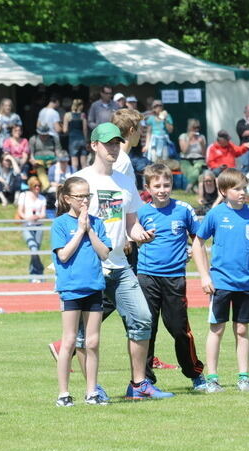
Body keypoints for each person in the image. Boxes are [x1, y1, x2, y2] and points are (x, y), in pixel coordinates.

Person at [75, 122, 172, 400]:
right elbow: (68, 223)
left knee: (142, 318)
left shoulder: (126, 181)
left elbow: (131, 223)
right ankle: (92, 388)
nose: (113, 148)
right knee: (84, 333)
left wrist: (140, 234)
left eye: (117, 143)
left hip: (119, 264)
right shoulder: (80, 180)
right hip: (90, 265)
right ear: (94, 145)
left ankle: (139, 385)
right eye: (108, 143)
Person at [192, 168, 249, 393]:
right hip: (221, 283)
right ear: (223, 191)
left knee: (242, 330)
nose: (243, 193)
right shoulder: (216, 214)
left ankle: (244, 378)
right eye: (237, 189)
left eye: (244, 188)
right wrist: (205, 275)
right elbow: (198, 243)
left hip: (245, 282)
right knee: (217, 329)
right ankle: (212, 379)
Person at [137, 163, 206, 390]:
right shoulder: (141, 212)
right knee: (147, 328)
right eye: (157, 186)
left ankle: (194, 373)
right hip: (147, 277)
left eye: (166, 185)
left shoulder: (184, 209)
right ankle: (146, 379)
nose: (162, 190)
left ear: (172, 184)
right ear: (148, 188)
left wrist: (197, 261)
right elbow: (131, 239)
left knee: (179, 329)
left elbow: (198, 239)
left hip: (175, 278)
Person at [51, 176, 112, 406]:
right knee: (69, 342)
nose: (85, 200)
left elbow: (104, 253)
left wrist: (89, 230)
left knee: (92, 342)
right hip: (70, 289)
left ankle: (92, 391)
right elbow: (63, 255)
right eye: (80, 196)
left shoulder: (97, 223)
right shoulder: (60, 224)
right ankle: (63, 393)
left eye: (88, 196)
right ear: (68, 199)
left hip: (94, 288)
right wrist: (79, 230)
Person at [17, 176, 47, 281]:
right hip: (27, 226)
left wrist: (38, 216)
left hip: (38, 226)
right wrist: (27, 217)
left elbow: (43, 213)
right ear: (31, 186)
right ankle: (39, 272)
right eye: (35, 185)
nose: (37, 187)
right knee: (33, 248)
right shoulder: (23, 195)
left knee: (35, 251)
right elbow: (20, 211)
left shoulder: (42, 198)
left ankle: (34, 275)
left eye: (39, 186)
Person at [179, 118, 207, 192]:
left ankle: (189, 186)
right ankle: (194, 187)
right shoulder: (183, 136)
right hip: (185, 159)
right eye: (194, 127)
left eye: (198, 127)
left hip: (199, 159)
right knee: (191, 170)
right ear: (189, 127)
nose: (196, 130)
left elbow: (204, 154)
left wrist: (202, 144)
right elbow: (184, 151)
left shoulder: (202, 137)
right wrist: (189, 139)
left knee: (197, 168)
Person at [30, 125, 58, 191]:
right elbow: (31, 154)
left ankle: (54, 186)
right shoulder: (33, 139)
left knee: (54, 168)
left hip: (52, 161)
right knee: (40, 169)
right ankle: (46, 187)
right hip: (38, 162)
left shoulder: (54, 139)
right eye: (41, 134)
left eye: (45, 135)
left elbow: (58, 152)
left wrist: (56, 161)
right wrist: (33, 161)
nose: (43, 136)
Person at [63, 98, 88, 169]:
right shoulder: (83, 115)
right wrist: (86, 140)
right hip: (82, 140)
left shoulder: (67, 115)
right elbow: (85, 129)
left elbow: (65, 130)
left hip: (72, 140)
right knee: (84, 165)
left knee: (74, 165)